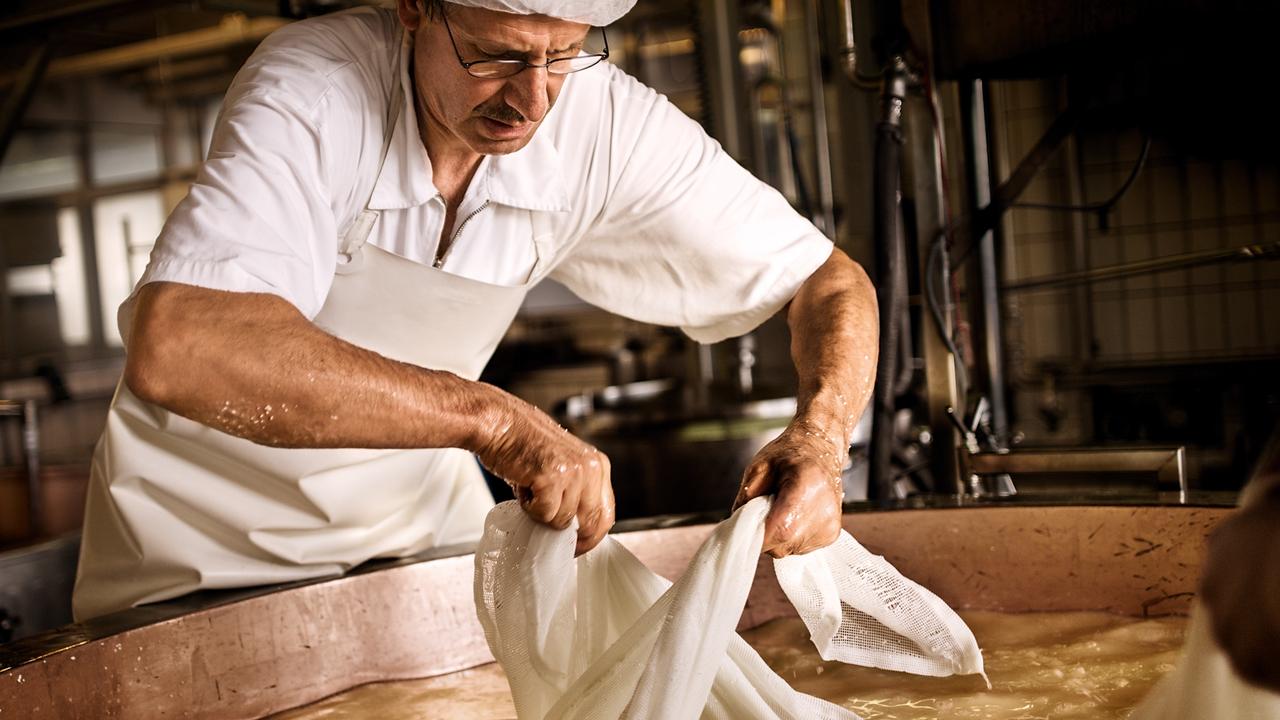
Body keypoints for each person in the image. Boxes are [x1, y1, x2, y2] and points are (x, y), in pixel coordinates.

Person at [72, 0, 879, 620]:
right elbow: (183, 344)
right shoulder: (315, 87)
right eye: (496, 53)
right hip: (196, 563)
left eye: (561, 55)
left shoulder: (599, 122)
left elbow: (830, 284)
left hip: (424, 553)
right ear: (414, 7)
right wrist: (496, 422)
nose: (531, 100)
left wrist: (822, 436)